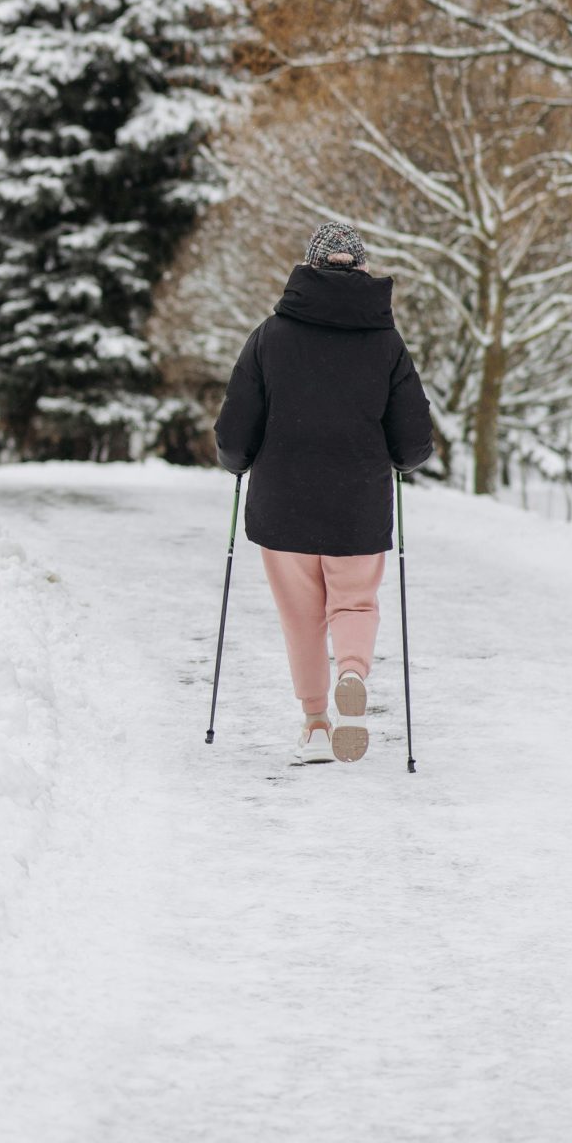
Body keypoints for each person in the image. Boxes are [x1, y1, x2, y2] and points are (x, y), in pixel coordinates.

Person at [213, 221, 434, 765]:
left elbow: (235, 427)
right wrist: (403, 458)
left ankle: (315, 722)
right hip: (357, 504)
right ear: (361, 268)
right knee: (354, 600)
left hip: (282, 504)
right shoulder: (385, 342)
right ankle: (352, 672)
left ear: (309, 269)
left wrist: (236, 461)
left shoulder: (271, 335)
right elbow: (413, 441)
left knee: (300, 614)